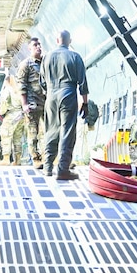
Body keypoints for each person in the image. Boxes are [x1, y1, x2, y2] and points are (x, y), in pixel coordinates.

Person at [44, 29, 89, 179]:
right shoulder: (75, 56)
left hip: (51, 95)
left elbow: (42, 82)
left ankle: (48, 166)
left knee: (51, 130)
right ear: (70, 41)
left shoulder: (47, 57)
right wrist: (85, 102)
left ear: (57, 40)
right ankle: (63, 169)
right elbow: (82, 82)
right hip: (68, 93)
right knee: (67, 132)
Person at [15, 37, 47, 166]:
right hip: (32, 103)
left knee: (50, 132)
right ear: (30, 48)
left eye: (39, 44)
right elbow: (21, 85)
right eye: (35, 45)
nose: (38, 47)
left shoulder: (46, 62)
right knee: (33, 133)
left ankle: (49, 157)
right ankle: (36, 159)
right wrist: (24, 104)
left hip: (46, 103)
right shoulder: (26, 64)